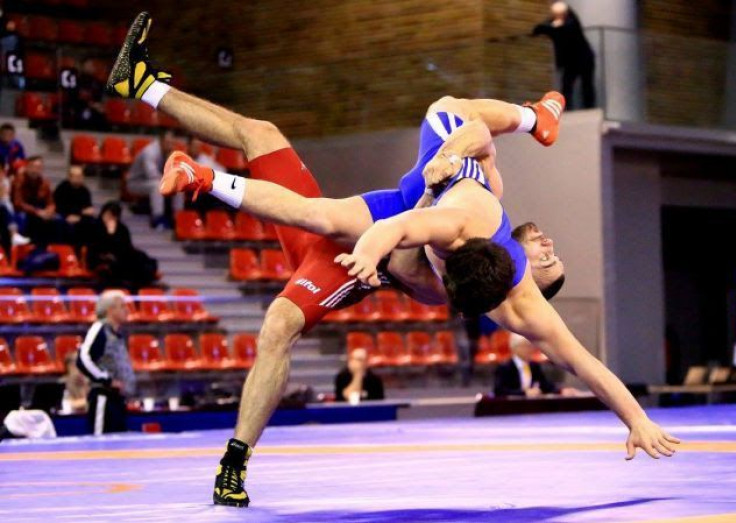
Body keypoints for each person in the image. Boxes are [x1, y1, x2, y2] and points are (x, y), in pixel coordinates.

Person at [108, 12, 678, 508]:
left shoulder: (501, 283)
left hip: (363, 249)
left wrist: (373, 249)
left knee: (288, 303)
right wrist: (455, 155)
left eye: (551, 263)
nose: (550, 247)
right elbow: (471, 145)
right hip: (399, 210)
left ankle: (234, 462)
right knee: (267, 137)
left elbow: (582, 362)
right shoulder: (478, 215)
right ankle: (144, 86)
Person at [76, 290, 135, 435]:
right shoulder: (99, 329)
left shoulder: (118, 334)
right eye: (122, 306)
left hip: (118, 400)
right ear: (110, 310)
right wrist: (106, 379)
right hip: (103, 398)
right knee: (101, 442)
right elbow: (83, 358)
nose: (127, 310)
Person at [533, 1, 596, 110]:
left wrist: (554, 26)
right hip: (569, 61)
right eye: (556, 15)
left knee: (586, 84)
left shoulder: (571, 22)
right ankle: (567, 108)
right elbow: (538, 29)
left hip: (583, 58)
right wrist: (552, 25)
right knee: (567, 85)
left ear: (565, 13)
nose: (558, 17)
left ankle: (589, 107)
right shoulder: (552, 24)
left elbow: (567, 27)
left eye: (560, 14)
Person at [87, 201, 158, 289]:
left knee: (140, 258)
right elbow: (95, 248)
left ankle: (141, 285)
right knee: (119, 264)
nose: (109, 218)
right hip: (101, 257)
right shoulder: (95, 227)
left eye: (113, 216)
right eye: (107, 215)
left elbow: (126, 246)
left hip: (120, 256)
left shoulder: (122, 228)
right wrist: (110, 234)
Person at [125, 129, 181, 229]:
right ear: (161, 141)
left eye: (172, 143)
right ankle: (158, 218)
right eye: (168, 142)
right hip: (136, 182)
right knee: (157, 186)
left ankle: (178, 217)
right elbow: (152, 175)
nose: (170, 145)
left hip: (152, 181)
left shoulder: (170, 153)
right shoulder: (149, 152)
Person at [494, 332, 578, 397]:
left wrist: (561, 391)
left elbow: (545, 386)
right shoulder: (505, 367)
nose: (531, 350)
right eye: (526, 346)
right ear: (516, 348)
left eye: (531, 346)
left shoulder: (533, 366)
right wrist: (524, 393)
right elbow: (499, 390)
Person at [11, 156, 60, 246]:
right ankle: (23, 247)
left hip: (41, 210)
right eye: (33, 167)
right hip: (24, 211)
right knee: (22, 217)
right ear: (27, 167)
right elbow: (18, 203)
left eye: (39, 167)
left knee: (58, 219)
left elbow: (51, 202)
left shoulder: (44, 182)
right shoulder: (19, 180)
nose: (35, 170)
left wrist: (49, 211)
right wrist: (37, 212)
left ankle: (54, 248)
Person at [54, 164, 96, 248]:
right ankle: (66, 249)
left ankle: (86, 250)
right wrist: (79, 212)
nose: (79, 178)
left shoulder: (84, 190)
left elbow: (88, 208)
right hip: (64, 215)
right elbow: (60, 207)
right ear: (70, 177)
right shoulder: (62, 188)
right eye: (76, 176)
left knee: (93, 223)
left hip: (79, 216)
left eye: (80, 176)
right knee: (63, 223)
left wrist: (80, 215)